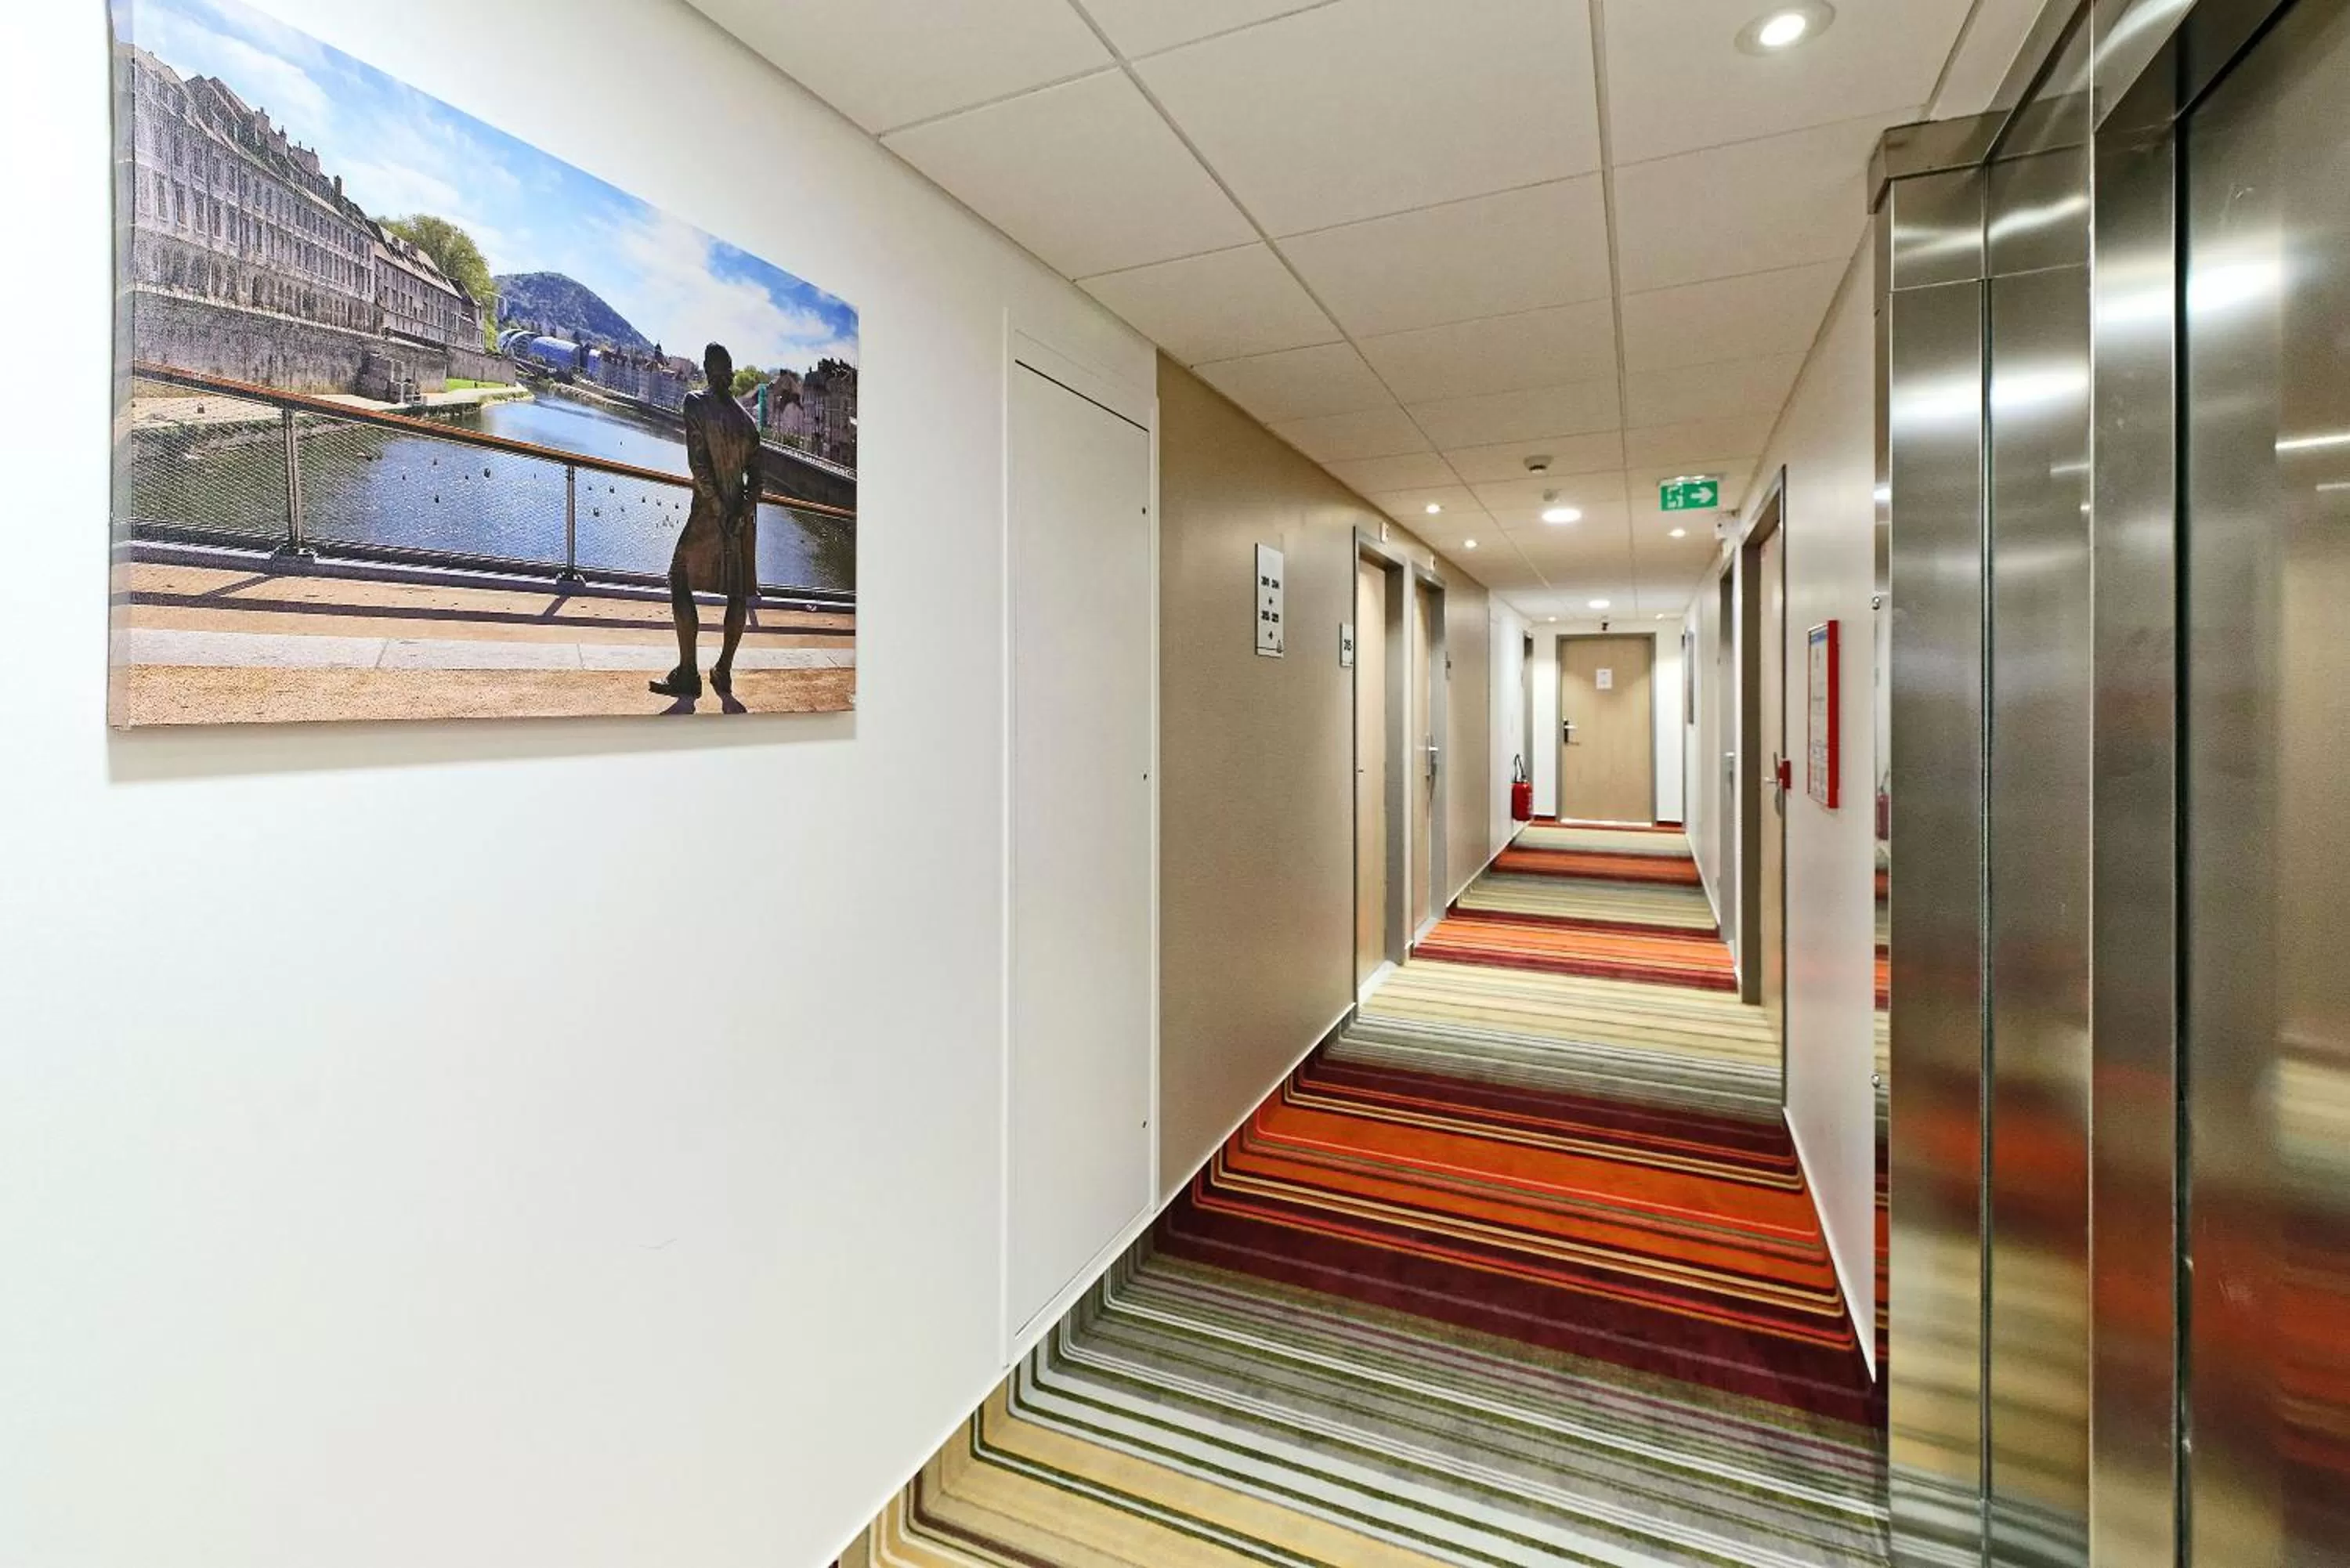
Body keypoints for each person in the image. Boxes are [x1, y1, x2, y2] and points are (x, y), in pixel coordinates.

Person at [651, 341, 762, 700]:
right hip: (741, 521)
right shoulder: (748, 424)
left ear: (707, 369)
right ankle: (723, 672)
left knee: (678, 578)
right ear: (729, 372)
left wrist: (720, 511)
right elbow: (757, 482)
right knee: (738, 592)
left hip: (708, 514)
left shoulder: (695, 403)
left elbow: (698, 466)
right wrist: (740, 514)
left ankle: (688, 673)